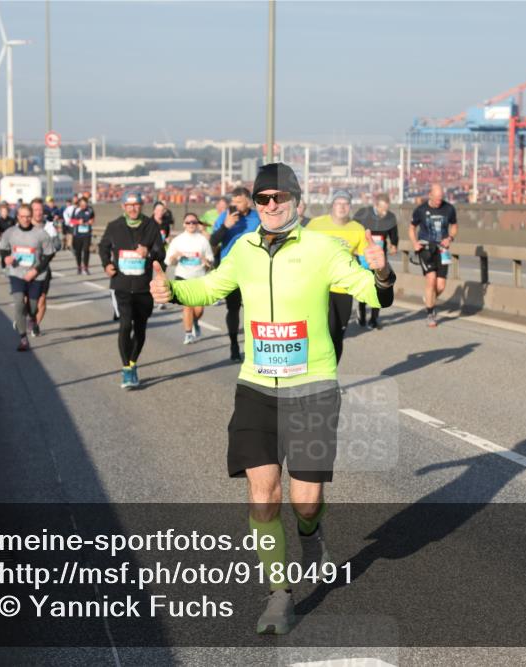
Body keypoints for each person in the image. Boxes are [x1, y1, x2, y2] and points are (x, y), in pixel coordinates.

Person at [152, 163, 394, 635]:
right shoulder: (242, 248)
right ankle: (279, 595)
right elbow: (210, 287)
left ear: (297, 202)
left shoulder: (324, 248)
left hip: (313, 390)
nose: (268, 206)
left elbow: (372, 293)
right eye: (261, 199)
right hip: (256, 389)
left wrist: (381, 273)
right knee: (263, 493)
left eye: (277, 198)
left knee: (305, 502)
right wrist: (172, 289)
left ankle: (311, 533)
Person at [98, 192, 165, 389]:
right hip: (121, 285)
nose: (133, 208)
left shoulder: (151, 226)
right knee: (125, 324)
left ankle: (133, 362)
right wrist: (106, 264)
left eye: (136, 205)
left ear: (141, 206)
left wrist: (150, 252)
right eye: (129, 205)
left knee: (141, 328)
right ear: (123, 207)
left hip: (144, 287)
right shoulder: (114, 226)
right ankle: (126, 368)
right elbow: (103, 247)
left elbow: (162, 254)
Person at [304, 190, 368, 364]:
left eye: (346, 204)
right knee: (329, 330)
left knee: (338, 335)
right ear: (332, 205)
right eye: (338, 203)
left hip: (344, 288)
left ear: (350, 207)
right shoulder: (316, 224)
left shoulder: (357, 229)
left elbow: (364, 260)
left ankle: (331, 374)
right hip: (320, 287)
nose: (342, 207)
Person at [209, 187, 261, 361]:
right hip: (231, 271)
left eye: (238, 201)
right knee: (233, 308)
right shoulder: (226, 216)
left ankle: (256, 347)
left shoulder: (258, 217)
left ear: (248, 200)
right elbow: (213, 241)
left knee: (255, 310)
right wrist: (225, 226)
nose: (235, 205)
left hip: (253, 271)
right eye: (233, 201)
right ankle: (233, 344)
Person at [0, 204, 57, 352]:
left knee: (33, 306)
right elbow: (3, 248)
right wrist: (6, 258)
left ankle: (31, 317)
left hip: (36, 275)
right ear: (18, 217)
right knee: (18, 303)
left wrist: (36, 270)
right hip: (17, 273)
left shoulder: (40, 234)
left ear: (31, 217)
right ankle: (23, 339)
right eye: (22, 216)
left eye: (28, 216)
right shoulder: (10, 232)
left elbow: (50, 253)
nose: (25, 219)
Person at [409, 183, 457, 328]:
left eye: (440, 198)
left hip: (442, 250)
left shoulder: (449, 209)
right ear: (430, 195)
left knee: (440, 285)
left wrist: (450, 238)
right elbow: (412, 228)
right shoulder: (421, 210)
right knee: (431, 280)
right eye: (436, 198)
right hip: (425, 249)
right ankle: (430, 313)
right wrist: (414, 243)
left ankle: (429, 299)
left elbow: (454, 226)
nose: (438, 201)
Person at [166, 213, 214, 344]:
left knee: (199, 309)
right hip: (182, 276)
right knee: (187, 306)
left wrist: (206, 261)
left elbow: (211, 260)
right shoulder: (178, 240)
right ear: (183, 224)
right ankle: (188, 333)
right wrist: (175, 256)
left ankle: (195, 322)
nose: (191, 225)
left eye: (194, 222)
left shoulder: (202, 240)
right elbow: (168, 261)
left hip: (199, 277)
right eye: (188, 222)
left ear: (197, 224)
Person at [354, 193, 399, 329]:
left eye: (386, 209)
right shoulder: (363, 215)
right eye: (381, 209)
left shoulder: (390, 218)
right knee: (365, 287)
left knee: (378, 288)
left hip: (380, 258)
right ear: (376, 205)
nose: (384, 212)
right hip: (363, 256)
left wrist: (394, 245)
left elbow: (394, 235)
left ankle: (374, 319)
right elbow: (354, 231)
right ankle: (361, 312)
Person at [31, 197, 62, 336]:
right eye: (35, 210)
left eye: (40, 210)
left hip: (43, 268)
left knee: (42, 298)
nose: (38, 213)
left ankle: (35, 325)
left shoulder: (49, 227)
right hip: (24, 267)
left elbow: (58, 246)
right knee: (26, 299)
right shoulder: (23, 226)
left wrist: (51, 241)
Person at [70, 196, 95, 274]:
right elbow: (71, 221)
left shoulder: (90, 210)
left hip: (87, 234)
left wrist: (90, 222)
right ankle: (79, 267)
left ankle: (86, 268)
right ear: (79, 204)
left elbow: (93, 219)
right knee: (78, 251)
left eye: (85, 204)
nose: (83, 206)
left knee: (86, 250)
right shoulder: (76, 210)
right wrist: (78, 222)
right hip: (77, 235)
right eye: (82, 204)